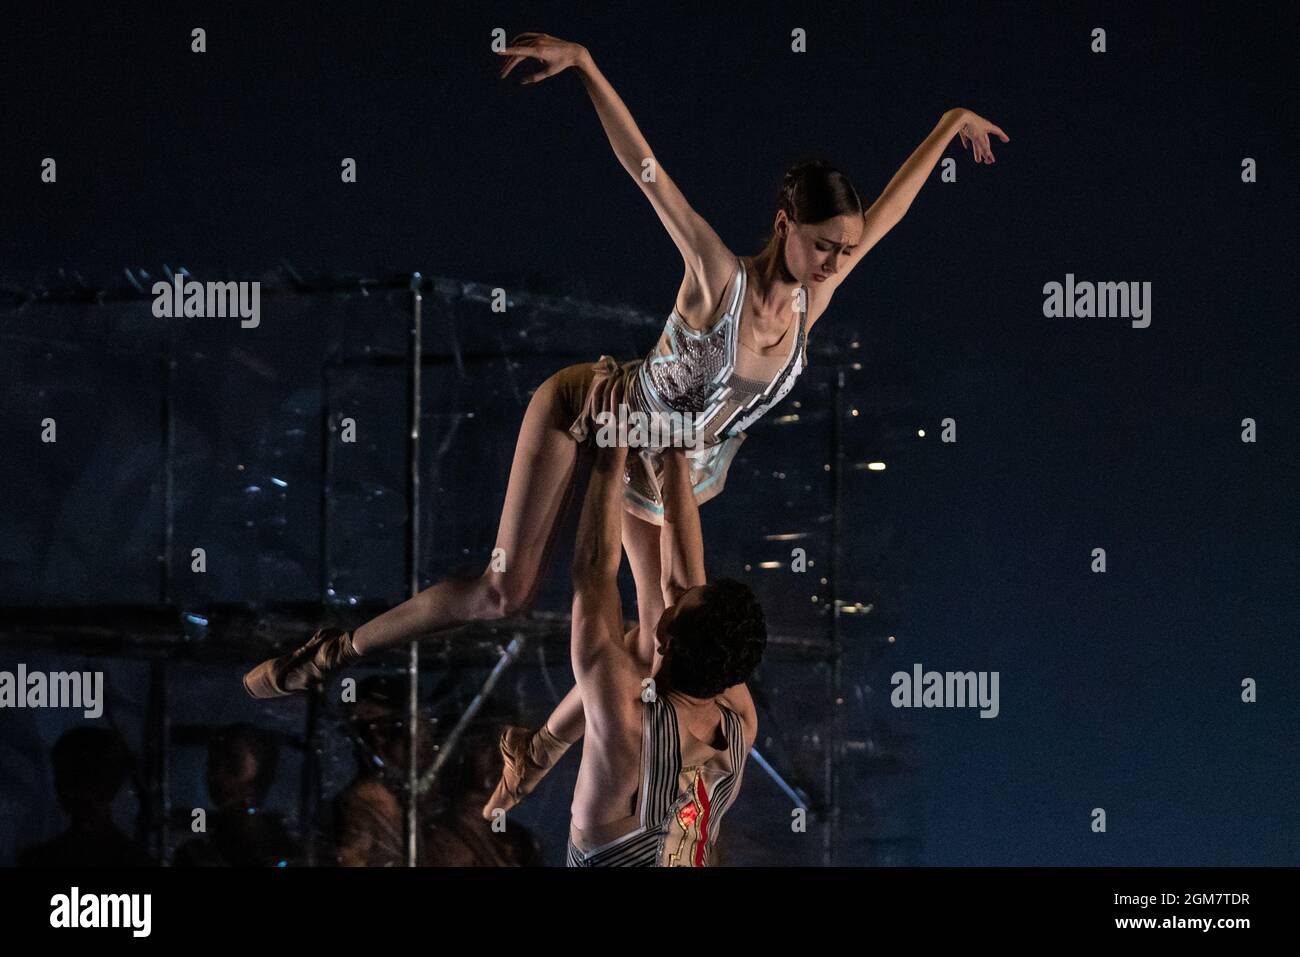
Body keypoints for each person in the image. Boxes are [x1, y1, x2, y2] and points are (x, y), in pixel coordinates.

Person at [243, 31, 1007, 790]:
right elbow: (647, 174)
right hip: (594, 408)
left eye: (844, 247)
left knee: (660, 638)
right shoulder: (718, 276)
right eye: (823, 245)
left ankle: (535, 750)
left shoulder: (818, 297)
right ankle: (336, 650)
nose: (838, 260)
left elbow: (892, 213)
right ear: (784, 226)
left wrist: (946, 124)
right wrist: (585, 65)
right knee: (505, 591)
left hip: (673, 465)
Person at [561, 441, 764, 865]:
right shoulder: (738, 724)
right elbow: (677, 584)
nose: (671, 597)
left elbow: (596, 574)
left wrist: (613, 448)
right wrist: (675, 455)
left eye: (675, 607)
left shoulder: (627, 721)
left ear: (666, 635)